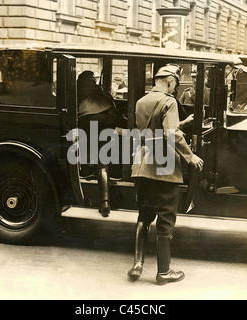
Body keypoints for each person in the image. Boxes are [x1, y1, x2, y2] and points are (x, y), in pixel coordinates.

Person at [128, 63, 204, 285]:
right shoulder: (169, 101)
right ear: (170, 82)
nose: (174, 90)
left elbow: (152, 131)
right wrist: (190, 157)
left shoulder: (142, 101)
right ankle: (163, 272)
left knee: (144, 213)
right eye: (174, 86)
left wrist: (181, 122)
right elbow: (171, 135)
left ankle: (137, 264)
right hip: (163, 165)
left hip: (142, 163)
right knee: (166, 217)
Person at [77, 70, 120, 217]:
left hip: (85, 123)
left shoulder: (77, 91)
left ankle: (88, 169)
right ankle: (105, 202)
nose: (94, 82)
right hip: (104, 122)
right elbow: (112, 111)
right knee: (103, 161)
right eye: (92, 80)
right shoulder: (97, 91)